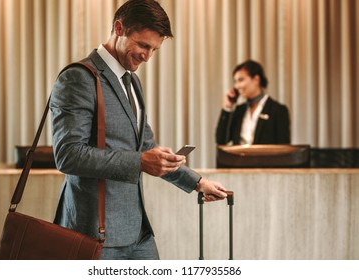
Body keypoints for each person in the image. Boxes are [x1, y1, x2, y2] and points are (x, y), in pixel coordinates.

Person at [50, 0, 228, 260]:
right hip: (94, 233)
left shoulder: (133, 82)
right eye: (143, 45)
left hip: (138, 231)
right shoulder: (79, 77)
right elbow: (68, 155)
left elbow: (146, 149)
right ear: (119, 28)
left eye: (154, 49)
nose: (147, 56)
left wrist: (198, 183)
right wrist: (141, 161)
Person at [215, 60, 290, 145]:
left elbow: (284, 148)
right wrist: (227, 108)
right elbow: (221, 140)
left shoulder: (278, 110)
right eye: (235, 82)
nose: (236, 86)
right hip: (239, 158)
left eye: (241, 80)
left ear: (256, 79)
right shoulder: (239, 110)